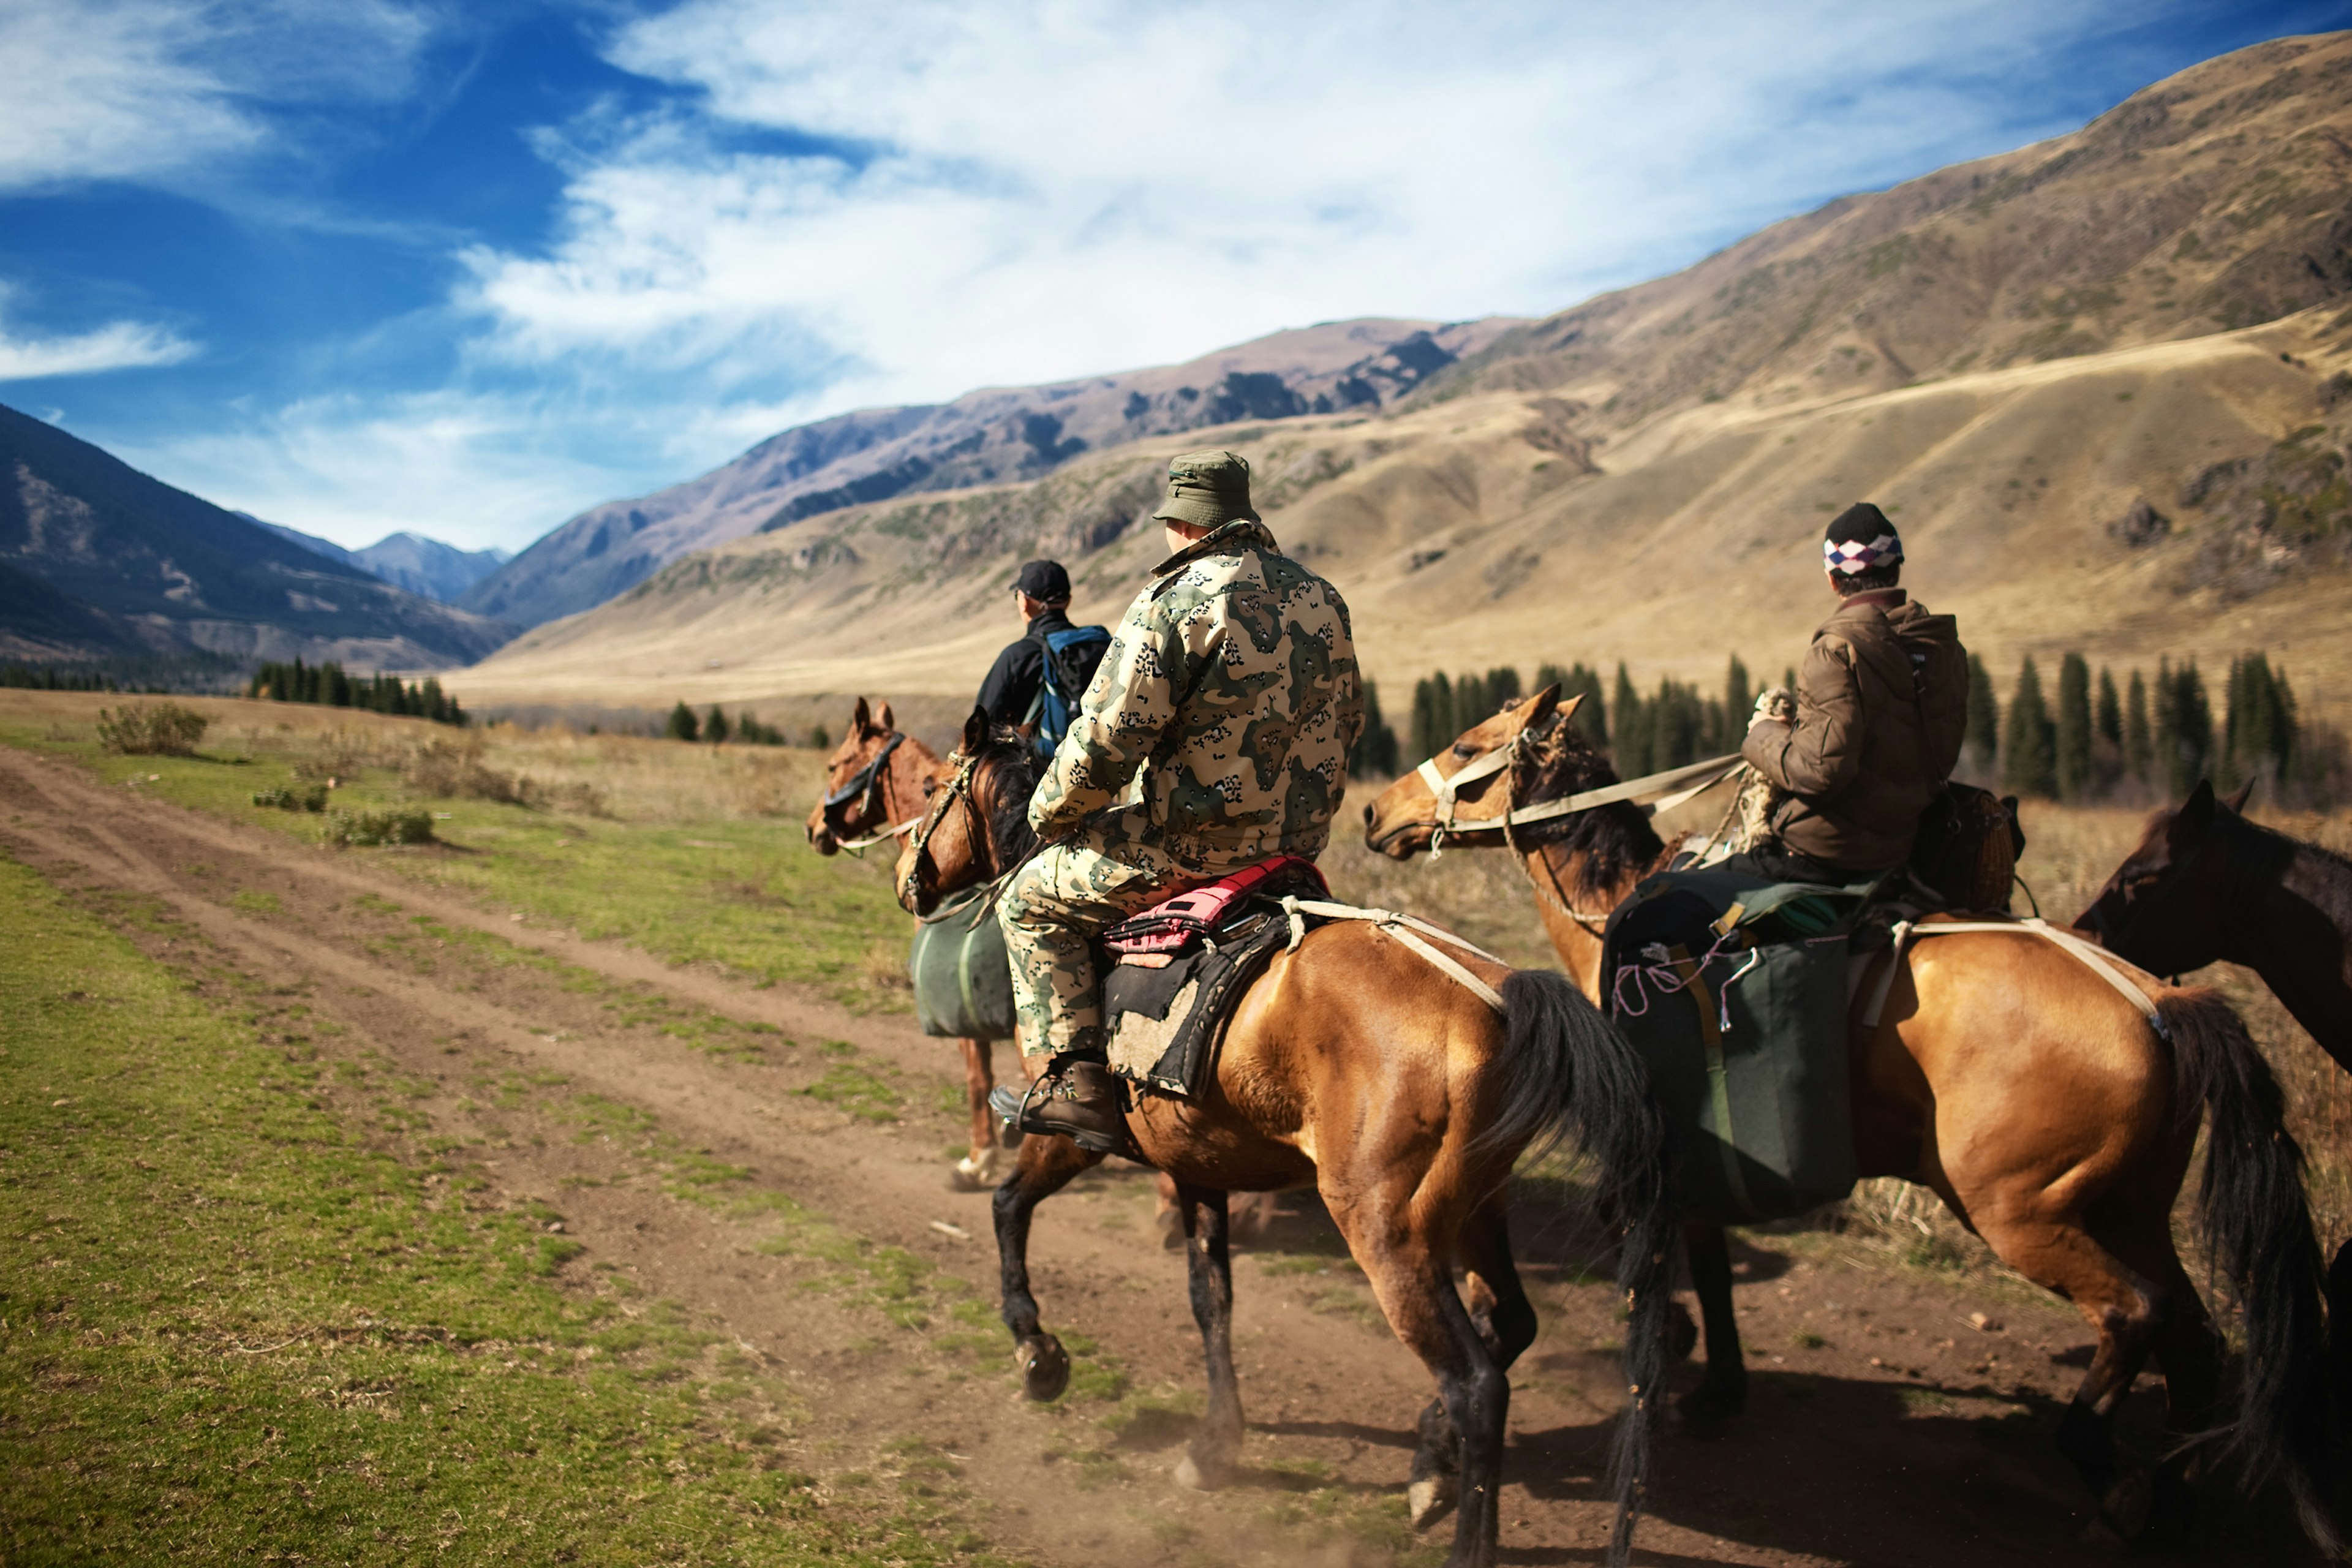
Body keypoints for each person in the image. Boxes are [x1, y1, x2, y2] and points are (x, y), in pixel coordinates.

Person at [992, 450, 1362, 1149]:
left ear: (1183, 523)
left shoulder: (1179, 600)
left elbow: (1107, 740)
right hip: (1297, 847)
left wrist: (1048, 815)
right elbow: (1350, 718)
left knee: (1029, 900)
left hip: (1194, 848)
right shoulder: (1322, 597)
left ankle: (1077, 1085)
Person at [1740, 502, 1968, 884]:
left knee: (1657, 910)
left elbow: (1820, 771)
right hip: (1906, 844)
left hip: (1826, 852)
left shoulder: (1835, 651)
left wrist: (1762, 733)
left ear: (1833, 579)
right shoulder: (1944, 647)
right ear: (1895, 568)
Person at [975, 559, 1077, 726]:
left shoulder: (1017, 656)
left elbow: (982, 727)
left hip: (1042, 753)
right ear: (1068, 601)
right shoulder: (1099, 648)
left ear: (1024, 603)